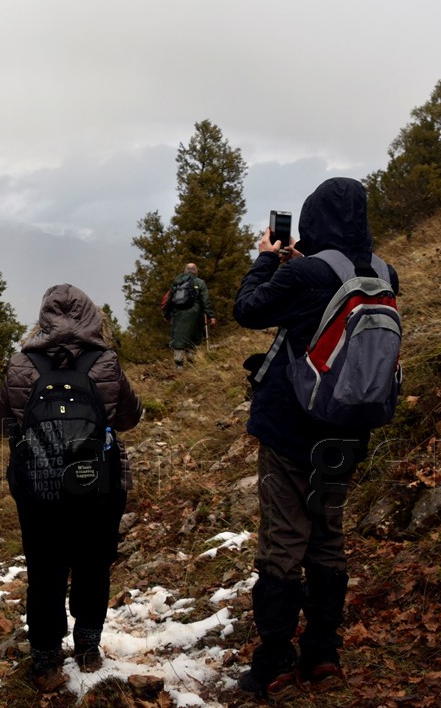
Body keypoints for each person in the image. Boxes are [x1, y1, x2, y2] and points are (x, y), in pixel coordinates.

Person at [231, 177, 400, 696]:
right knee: (327, 537)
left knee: (283, 542)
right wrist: (298, 267)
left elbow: (248, 310)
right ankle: (323, 654)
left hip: (291, 428)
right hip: (350, 429)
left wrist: (267, 258)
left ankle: (275, 663)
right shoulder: (383, 270)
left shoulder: (303, 272)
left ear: (311, 218)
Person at [0, 283, 143, 692]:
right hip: (98, 486)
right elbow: (129, 417)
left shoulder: (21, 364)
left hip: (38, 491)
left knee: (44, 568)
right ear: (91, 316)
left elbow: (4, 423)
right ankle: (88, 646)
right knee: (93, 563)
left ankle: (44, 657)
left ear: (43, 318)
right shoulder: (105, 362)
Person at [165, 263, 216, 368]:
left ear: (185, 271)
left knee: (178, 339)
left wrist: (167, 315)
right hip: (195, 314)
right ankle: (191, 362)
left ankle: (179, 365)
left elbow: (169, 300)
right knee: (193, 337)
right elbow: (205, 301)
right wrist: (211, 315)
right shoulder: (200, 282)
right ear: (196, 271)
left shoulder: (176, 282)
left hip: (178, 313)